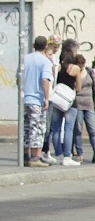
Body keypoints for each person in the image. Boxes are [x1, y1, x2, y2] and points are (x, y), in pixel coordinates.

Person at [22, 35, 54, 167]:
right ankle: (36, 157)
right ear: (46, 46)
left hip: (25, 99)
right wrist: (46, 98)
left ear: (34, 45)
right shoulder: (45, 61)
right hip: (37, 99)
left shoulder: (25, 58)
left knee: (26, 128)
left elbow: (18, 78)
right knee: (38, 128)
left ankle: (25, 156)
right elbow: (44, 80)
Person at [49, 40, 83, 166]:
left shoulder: (57, 67)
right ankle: (67, 156)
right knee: (68, 128)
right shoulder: (75, 68)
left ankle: (58, 155)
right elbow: (78, 88)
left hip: (57, 100)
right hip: (70, 102)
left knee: (56, 128)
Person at [39, 35, 62, 164]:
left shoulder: (55, 59)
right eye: (54, 47)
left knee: (51, 126)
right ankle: (42, 150)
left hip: (52, 95)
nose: (56, 49)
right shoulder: (44, 59)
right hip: (45, 96)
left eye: (58, 47)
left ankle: (46, 150)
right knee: (45, 126)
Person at [72, 53, 95, 162]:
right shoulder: (73, 72)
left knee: (92, 129)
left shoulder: (89, 71)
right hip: (78, 103)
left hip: (89, 103)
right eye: (79, 66)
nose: (81, 68)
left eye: (82, 66)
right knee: (78, 129)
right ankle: (79, 154)